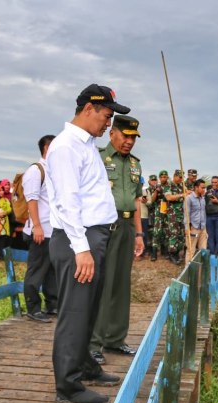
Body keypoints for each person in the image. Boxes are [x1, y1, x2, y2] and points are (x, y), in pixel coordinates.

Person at [46, 84, 130, 403]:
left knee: (90, 309)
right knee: (75, 312)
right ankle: (67, 386)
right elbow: (67, 203)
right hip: (77, 239)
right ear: (88, 109)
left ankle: (85, 366)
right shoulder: (66, 146)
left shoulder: (86, 144)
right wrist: (81, 249)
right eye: (107, 116)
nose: (109, 123)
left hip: (92, 236)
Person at [90, 115, 145, 364]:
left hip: (126, 227)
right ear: (112, 133)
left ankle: (115, 338)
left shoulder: (135, 164)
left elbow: (136, 201)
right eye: (125, 136)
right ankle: (93, 342)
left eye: (133, 138)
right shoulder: (98, 157)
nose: (129, 142)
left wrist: (139, 234)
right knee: (103, 284)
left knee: (121, 284)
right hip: (104, 226)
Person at [22, 135, 58, 323]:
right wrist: (37, 226)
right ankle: (33, 307)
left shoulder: (53, 170)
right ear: (46, 147)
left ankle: (52, 304)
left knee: (52, 270)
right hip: (40, 229)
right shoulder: (36, 170)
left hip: (54, 230)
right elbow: (32, 199)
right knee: (36, 270)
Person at [164, 170, 188, 265]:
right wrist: (182, 195)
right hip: (172, 215)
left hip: (181, 214)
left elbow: (188, 192)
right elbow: (169, 197)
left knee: (181, 235)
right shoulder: (168, 185)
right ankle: (172, 254)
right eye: (180, 177)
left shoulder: (181, 186)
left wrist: (187, 191)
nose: (181, 179)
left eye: (182, 177)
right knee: (173, 235)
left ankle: (178, 252)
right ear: (175, 176)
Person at [184, 179, 208, 261]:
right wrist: (187, 228)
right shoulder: (189, 198)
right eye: (202, 187)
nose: (204, 189)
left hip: (203, 228)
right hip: (193, 228)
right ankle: (188, 270)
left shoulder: (202, 198)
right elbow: (186, 214)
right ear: (196, 187)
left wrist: (205, 227)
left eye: (204, 188)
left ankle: (202, 269)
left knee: (203, 250)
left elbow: (203, 212)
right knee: (191, 250)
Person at [150, 170, 170, 261]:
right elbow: (152, 200)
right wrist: (156, 191)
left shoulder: (170, 186)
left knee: (166, 231)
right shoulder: (156, 186)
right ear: (159, 178)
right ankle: (154, 253)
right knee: (156, 231)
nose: (163, 178)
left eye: (165, 177)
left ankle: (165, 251)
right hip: (158, 211)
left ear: (167, 177)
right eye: (161, 177)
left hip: (168, 211)